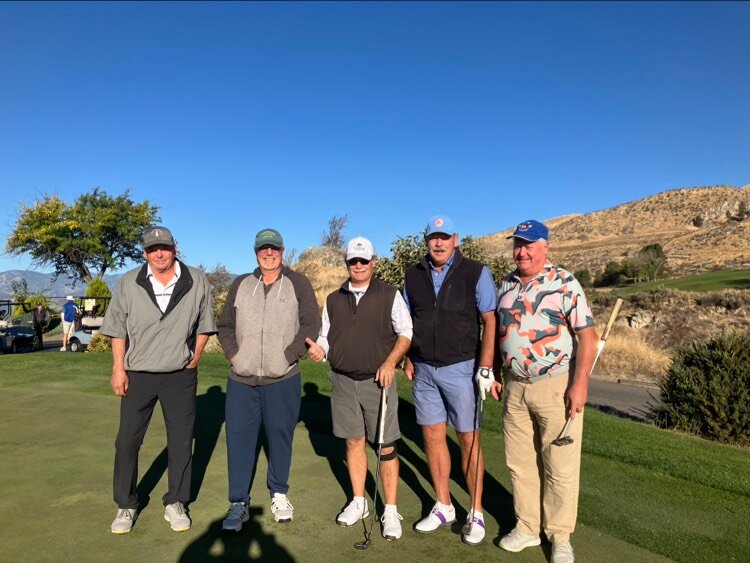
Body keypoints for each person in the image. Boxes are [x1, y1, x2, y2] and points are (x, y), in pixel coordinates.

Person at [100, 226, 216, 534]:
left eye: (163, 247)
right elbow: (117, 330)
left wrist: (196, 356)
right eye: (152, 249)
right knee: (127, 441)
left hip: (180, 376)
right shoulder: (128, 282)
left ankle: (176, 501)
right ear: (145, 253)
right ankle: (126, 504)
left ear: (175, 248)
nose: (159, 253)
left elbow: (205, 324)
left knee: (180, 442)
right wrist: (118, 369)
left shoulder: (196, 280)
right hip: (137, 374)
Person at [496, 220, 597, 563]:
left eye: (528, 245)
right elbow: (501, 332)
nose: (520, 251)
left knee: (559, 464)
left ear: (545, 246)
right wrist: (495, 373)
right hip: (514, 387)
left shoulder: (564, 282)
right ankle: (526, 527)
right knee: (520, 463)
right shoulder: (507, 283)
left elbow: (588, 336)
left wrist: (580, 383)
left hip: (555, 385)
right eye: (517, 245)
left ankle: (560, 536)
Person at [306, 237, 412, 540]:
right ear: (347, 263)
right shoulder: (333, 298)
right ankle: (359, 501)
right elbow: (326, 337)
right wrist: (320, 351)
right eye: (354, 261)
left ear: (374, 263)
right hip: (341, 381)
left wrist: (391, 362)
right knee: (353, 442)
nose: (359, 266)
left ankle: (390, 510)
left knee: (386, 446)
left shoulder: (389, 294)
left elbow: (406, 332)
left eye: (364, 261)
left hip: (377, 381)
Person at [403, 215, 499, 546]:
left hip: (463, 366)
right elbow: (407, 322)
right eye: (433, 238)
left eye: (444, 237)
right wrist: (407, 357)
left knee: (468, 439)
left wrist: (486, 365)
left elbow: (490, 318)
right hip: (424, 369)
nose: (439, 243)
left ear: (455, 239)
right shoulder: (412, 275)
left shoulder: (476, 271)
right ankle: (444, 505)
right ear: (426, 240)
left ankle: (475, 511)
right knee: (432, 436)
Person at [217, 228, 320, 532]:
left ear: (282, 251)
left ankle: (279, 494)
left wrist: (289, 354)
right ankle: (238, 503)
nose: (269, 253)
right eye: (263, 249)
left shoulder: (298, 283)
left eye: (274, 248)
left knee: (280, 437)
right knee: (238, 439)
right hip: (241, 379)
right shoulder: (241, 284)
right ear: (256, 253)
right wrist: (235, 354)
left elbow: (311, 322)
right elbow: (224, 325)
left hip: (283, 377)